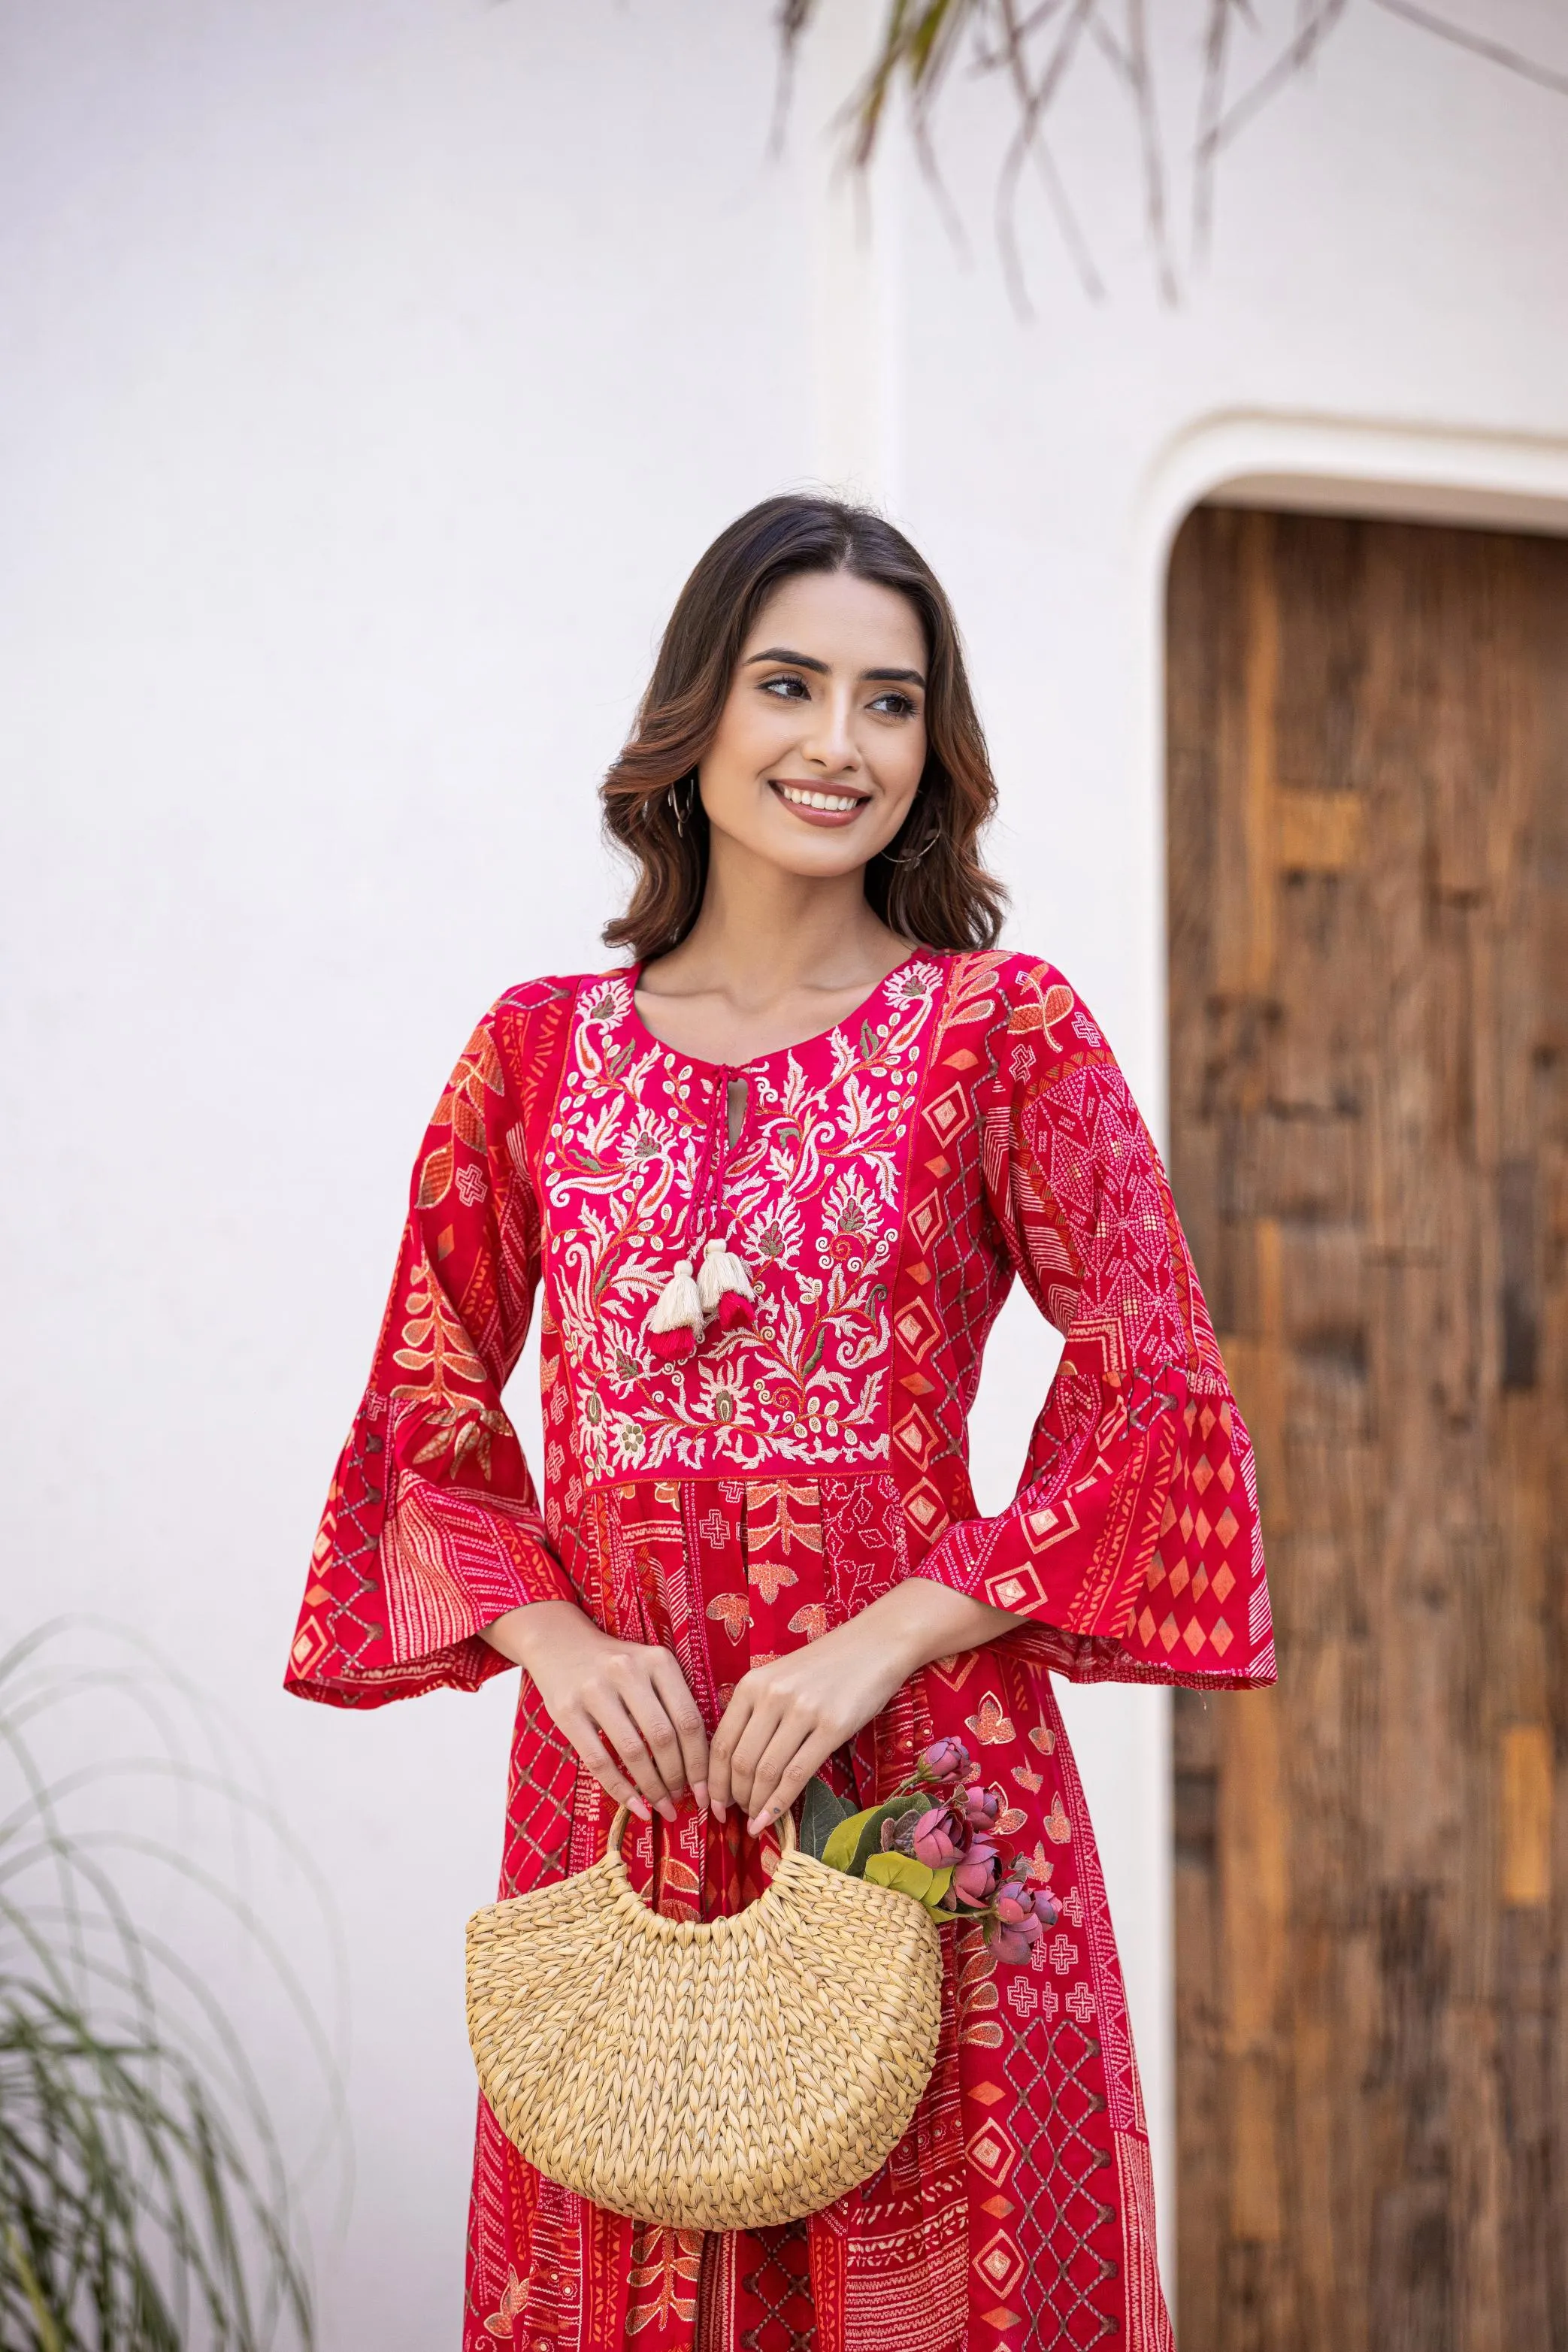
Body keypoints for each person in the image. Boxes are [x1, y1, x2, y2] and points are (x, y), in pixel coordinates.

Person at [286, 495, 1274, 2352]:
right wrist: (554, 1634)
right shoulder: (536, 1054)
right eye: (790, 684)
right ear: (697, 714)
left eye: (890, 703)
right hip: (624, 1795)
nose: (838, 744)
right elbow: (421, 1410)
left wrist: (888, 1634)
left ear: (932, 747)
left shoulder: (1000, 1033)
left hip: (926, 1790)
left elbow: (1155, 1385)